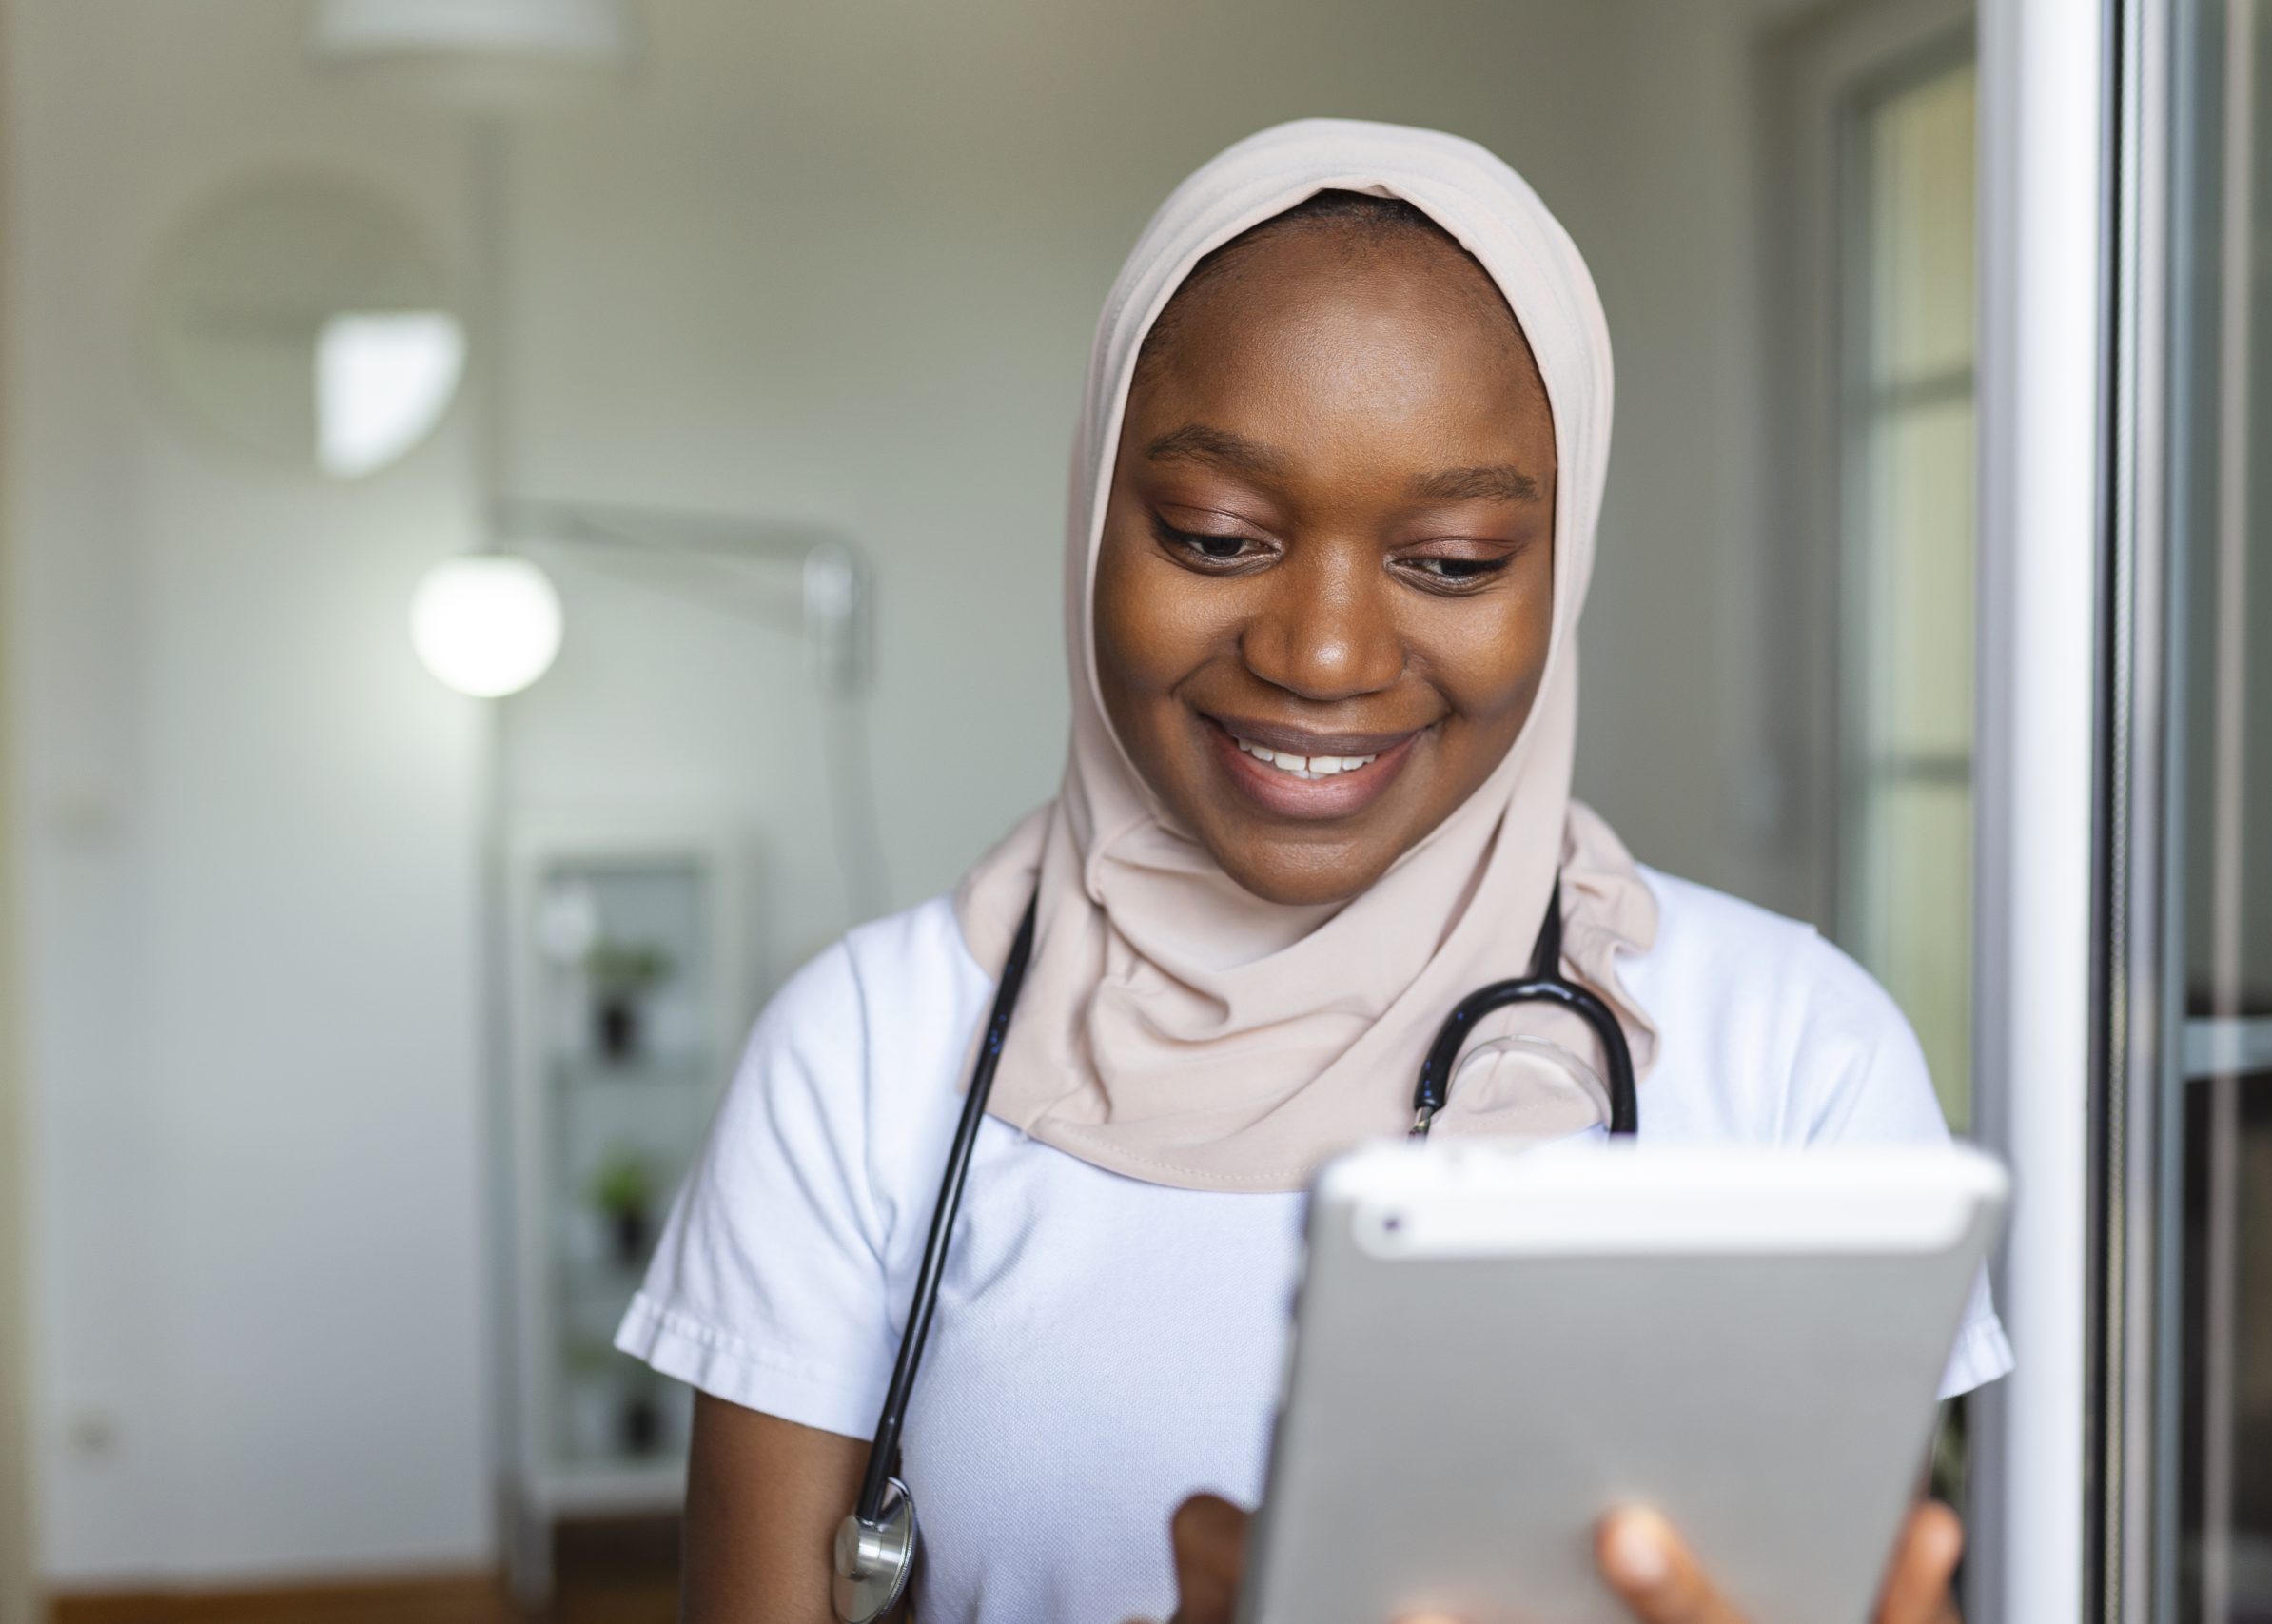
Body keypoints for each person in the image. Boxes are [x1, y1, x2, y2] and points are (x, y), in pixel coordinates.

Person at [614, 118, 2013, 1624]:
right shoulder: (865, 1059)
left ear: (1566, 559)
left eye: (1456, 559)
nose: (1322, 653)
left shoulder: (1795, 1058)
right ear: (1095, 512)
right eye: (1216, 537)